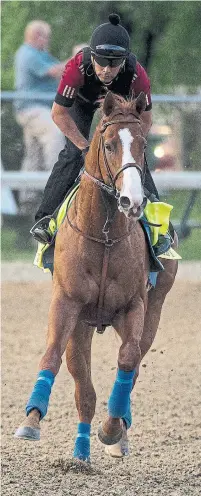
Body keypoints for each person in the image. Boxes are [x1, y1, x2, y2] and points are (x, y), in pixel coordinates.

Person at [32, 13, 170, 253]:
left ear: (124, 62)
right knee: (71, 156)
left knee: (136, 160)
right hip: (82, 105)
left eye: (114, 64)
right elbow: (58, 114)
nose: (106, 70)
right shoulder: (76, 66)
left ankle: (159, 229)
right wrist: (85, 147)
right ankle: (46, 220)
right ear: (92, 57)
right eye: (101, 62)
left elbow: (145, 118)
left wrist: (133, 148)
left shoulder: (137, 73)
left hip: (121, 108)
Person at [14, 20, 67, 214]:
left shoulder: (39, 54)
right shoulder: (28, 54)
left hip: (35, 109)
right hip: (33, 109)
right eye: (46, 37)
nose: (47, 41)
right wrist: (78, 58)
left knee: (33, 153)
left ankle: (28, 199)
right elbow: (55, 71)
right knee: (54, 135)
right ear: (38, 36)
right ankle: (57, 188)